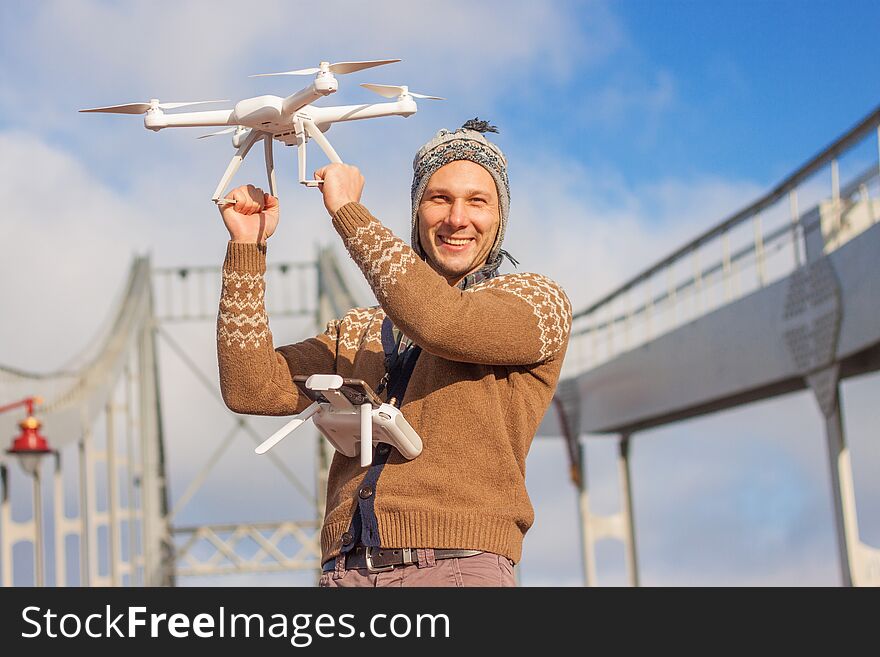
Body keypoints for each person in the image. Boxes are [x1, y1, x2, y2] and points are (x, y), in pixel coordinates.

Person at [216, 119, 572, 587]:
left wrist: (348, 212)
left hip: (457, 568)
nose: (457, 218)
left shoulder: (537, 303)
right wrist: (247, 247)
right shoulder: (361, 328)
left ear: (500, 215)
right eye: (439, 198)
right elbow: (252, 389)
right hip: (345, 572)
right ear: (417, 209)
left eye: (477, 201)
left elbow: (441, 323)